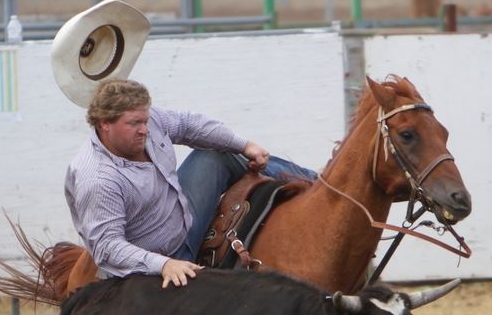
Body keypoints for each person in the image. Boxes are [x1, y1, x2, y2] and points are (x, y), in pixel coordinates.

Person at [65, 79, 316, 288]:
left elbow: (187, 124)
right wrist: (164, 264)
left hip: (183, 216)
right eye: (134, 124)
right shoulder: (97, 178)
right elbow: (107, 247)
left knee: (215, 153)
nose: (144, 130)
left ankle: (318, 183)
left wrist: (245, 145)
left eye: (145, 120)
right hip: (158, 260)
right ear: (104, 124)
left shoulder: (148, 123)